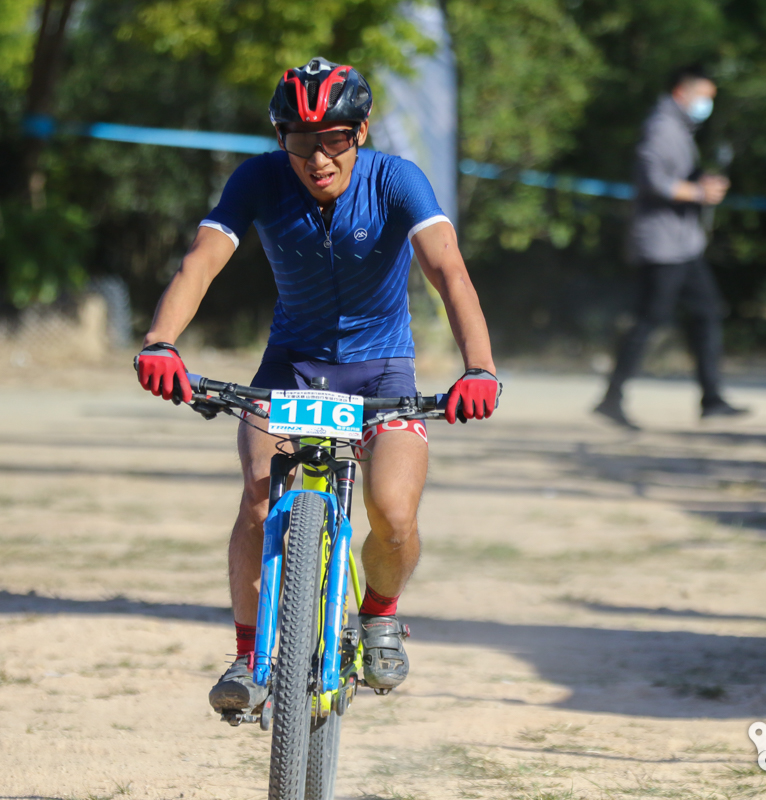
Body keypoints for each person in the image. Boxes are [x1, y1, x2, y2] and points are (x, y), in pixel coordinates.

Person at [134, 58, 500, 715]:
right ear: (282, 140)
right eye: (300, 140)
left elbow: (447, 269)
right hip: (292, 367)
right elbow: (202, 261)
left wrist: (479, 367)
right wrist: (161, 342)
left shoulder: (397, 180)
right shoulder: (258, 180)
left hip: (382, 371)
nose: (317, 157)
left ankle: (380, 614)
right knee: (255, 495)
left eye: (333, 138)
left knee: (393, 513)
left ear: (359, 133)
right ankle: (249, 658)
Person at [594, 64, 746, 431]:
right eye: (705, 97)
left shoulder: (678, 127)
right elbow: (654, 180)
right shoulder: (661, 126)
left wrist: (699, 182)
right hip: (662, 245)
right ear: (683, 91)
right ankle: (611, 397)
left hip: (683, 245)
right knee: (650, 318)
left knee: (707, 312)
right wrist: (698, 191)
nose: (707, 104)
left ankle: (712, 398)